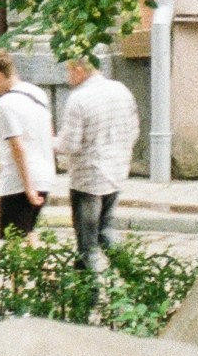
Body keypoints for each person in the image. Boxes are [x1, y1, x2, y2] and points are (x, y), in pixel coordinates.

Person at [53, 54, 141, 273]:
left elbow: (69, 145)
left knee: (87, 242)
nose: (67, 76)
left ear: (79, 71)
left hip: (88, 179)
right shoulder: (121, 90)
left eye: (68, 70)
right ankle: (133, 280)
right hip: (116, 171)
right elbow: (134, 131)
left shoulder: (79, 99)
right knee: (105, 230)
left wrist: (47, 141)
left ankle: (87, 299)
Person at [0, 47, 57, 237]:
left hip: (18, 181)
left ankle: (44, 267)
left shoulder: (5, 105)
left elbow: (17, 147)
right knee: (28, 235)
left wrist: (27, 187)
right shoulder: (37, 93)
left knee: (13, 242)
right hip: (44, 174)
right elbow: (50, 132)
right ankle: (46, 268)